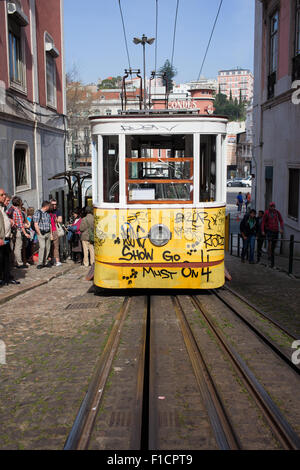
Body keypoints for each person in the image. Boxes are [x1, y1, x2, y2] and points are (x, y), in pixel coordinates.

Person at [0, 189, 20, 286]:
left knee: (7, 259)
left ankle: (7, 277)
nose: (4, 197)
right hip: (1, 238)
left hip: (7, 237)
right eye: (2, 195)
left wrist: (9, 220)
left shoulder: (3, 208)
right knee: (1, 260)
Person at [261, 202, 284, 268]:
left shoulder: (277, 213)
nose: (272, 207)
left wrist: (281, 228)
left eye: (273, 206)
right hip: (269, 230)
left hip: (276, 230)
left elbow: (281, 220)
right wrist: (263, 230)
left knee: (274, 244)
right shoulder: (266, 213)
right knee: (270, 242)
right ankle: (269, 255)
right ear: (269, 207)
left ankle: (272, 254)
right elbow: (263, 222)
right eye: (271, 206)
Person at [10, 196, 30, 268]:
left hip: (14, 230)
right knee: (18, 247)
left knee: (15, 247)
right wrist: (25, 233)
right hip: (17, 230)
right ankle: (19, 263)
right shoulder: (17, 211)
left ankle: (15, 262)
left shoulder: (12, 210)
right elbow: (21, 224)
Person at [33, 201, 52, 269]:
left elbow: (50, 224)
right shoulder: (37, 213)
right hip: (41, 233)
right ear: (46, 206)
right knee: (42, 247)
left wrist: (51, 233)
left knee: (48, 248)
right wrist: (39, 233)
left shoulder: (47, 214)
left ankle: (45, 261)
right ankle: (40, 263)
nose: (49, 207)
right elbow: (36, 224)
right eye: (49, 206)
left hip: (48, 233)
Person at [49, 202, 62, 267]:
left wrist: (56, 219)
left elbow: (60, 220)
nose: (54, 206)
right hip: (49, 231)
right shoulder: (48, 213)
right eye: (53, 204)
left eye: (55, 204)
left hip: (54, 230)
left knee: (55, 246)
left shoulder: (57, 212)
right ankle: (52, 260)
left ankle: (56, 260)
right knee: (50, 246)